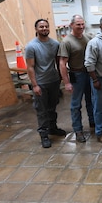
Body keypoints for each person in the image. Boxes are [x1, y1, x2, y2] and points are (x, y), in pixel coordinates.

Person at [25, 19, 66, 148]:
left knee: (52, 107)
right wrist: (35, 85)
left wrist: (60, 78)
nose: (44, 28)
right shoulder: (31, 46)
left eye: (46, 26)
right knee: (41, 110)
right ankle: (44, 135)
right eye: (41, 27)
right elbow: (30, 67)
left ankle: (52, 128)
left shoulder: (54, 44)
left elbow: (58, 62)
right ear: (36, 29)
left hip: (53, 81)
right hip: (40, 83)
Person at [58, 14, 94, 143]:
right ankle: (78, 130)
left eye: (82, 24)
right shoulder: (67, 41)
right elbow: (62, 63)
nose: (81, 26)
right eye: (78, 24)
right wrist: (66, 82)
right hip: (76, 75)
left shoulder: (88, 37)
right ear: (71, 25)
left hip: (89, 74)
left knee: (91, 101)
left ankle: (93, 124)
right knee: (76, 104)